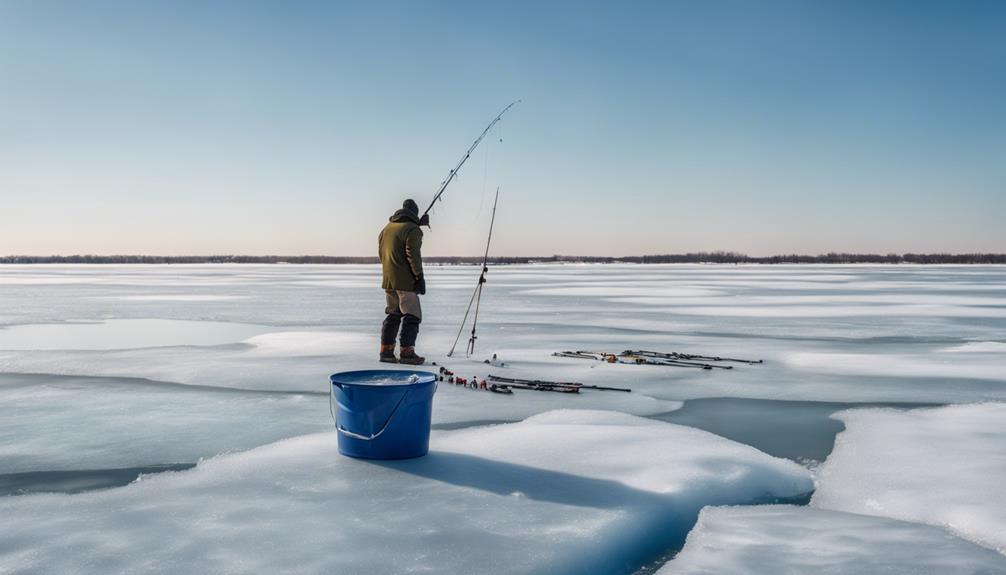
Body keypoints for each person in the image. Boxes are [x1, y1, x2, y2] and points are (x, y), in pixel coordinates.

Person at [378, 199, 427, 365]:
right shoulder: (412, 229)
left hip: (388, 279)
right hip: (405, 281)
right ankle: (407, 353)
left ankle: (386, 351)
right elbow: (413, 255)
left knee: (393, 314)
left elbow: (381, 254)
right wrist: (419, 276)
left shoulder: (387, 228)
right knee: (412, 315)